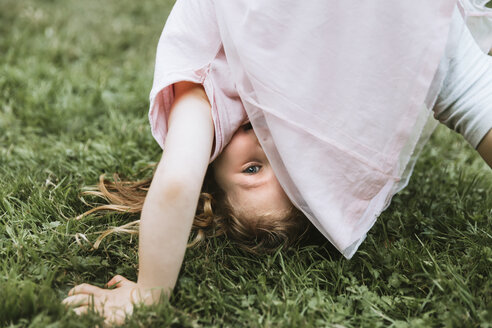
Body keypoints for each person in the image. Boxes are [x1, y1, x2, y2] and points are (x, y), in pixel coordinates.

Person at [62, 0, 492, 324]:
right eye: (289, 164)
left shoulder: (206, 95)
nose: (265, 146)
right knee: (460, 82)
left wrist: (152, 291)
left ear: (207, 174)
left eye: (251, 170)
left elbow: (176, 181)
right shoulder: (335, 99)